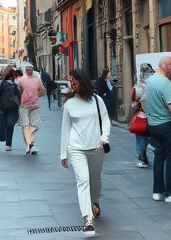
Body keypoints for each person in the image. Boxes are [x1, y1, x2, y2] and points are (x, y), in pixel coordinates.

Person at [60, 69, 110, 237]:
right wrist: (63, 154)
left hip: (96, 147)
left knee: (95, 180)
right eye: (70, 82)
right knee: (83, 181)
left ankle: (95, 199)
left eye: (74, 81)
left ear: (82, 81)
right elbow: (65, 129)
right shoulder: (69, 104)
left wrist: (104, 136)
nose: (72, 84)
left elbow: (105, 119)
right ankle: (88, 220)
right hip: (76, 148)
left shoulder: (97, 100)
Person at [142, 56, 171, 203]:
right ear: (167, 67)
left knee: (159, 157)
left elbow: (141, 100)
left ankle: (158, 191)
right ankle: (170, 192)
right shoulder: (164, 82)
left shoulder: (148, 80)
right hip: (167, 125)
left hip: (153, 125)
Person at [16, 62, 46, 155]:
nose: (30, 70)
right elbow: (18, 91)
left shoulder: (37, 80)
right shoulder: (20, 80)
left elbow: (43, 90)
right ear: (26, 70)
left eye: (31, 68)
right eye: (29, 68)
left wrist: (36, 96)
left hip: (34, 106)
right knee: (26, 125)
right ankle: (30, 144)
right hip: (24, 106)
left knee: (34, 125)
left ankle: (30, 144)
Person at [0, 66, 20, 151]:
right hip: (3, 107)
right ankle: (4, 139)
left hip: (9, 107)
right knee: (5, 124)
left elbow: (18, 96)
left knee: (9, 124)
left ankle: (8, 143)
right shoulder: (3, 84)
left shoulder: (13, 85)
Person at [131, 71, 152, 168]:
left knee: (141, 138)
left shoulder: (137, 88)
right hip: (153, 116)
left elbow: (133, 103)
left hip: (142, 115)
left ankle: (142, 156)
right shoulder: (154, 86)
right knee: (151, 137)